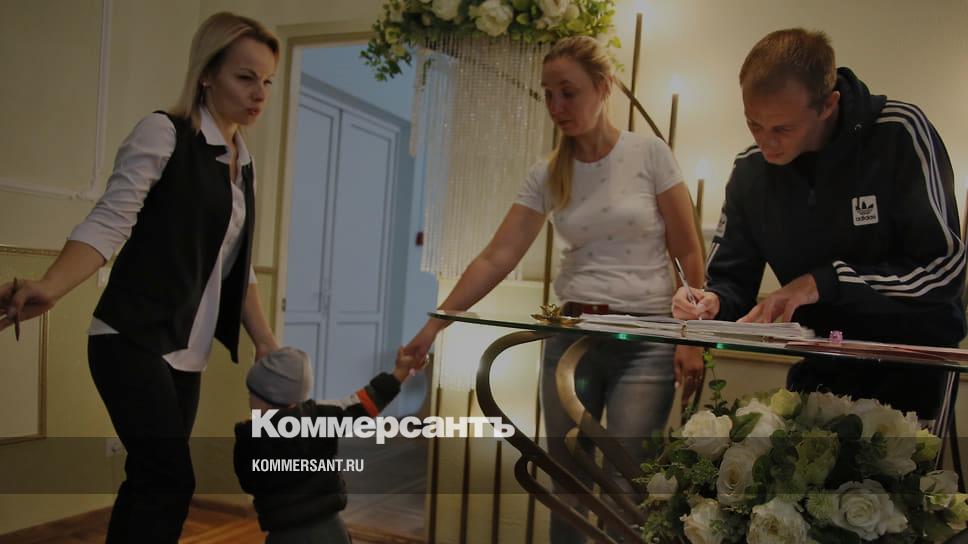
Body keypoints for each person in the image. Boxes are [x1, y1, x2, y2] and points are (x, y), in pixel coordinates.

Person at [404, 36, 705, 542]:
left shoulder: (649, 154)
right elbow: (497, 257)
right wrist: (435, 325)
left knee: (629, 480)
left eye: (568, 92)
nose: (556, 106)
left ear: (603, 87)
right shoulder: (546, 173)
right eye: (548, 94)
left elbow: (688, 251)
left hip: (647, 342)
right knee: (566, 480)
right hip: (571, 339)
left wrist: (690, 336)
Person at [0, 12, 281, 542]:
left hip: (188, 350)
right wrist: (51, 285)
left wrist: (265, 341)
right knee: (170, 480)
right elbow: (110, 221)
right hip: (130, 338)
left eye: (267, 81)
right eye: (245, 77)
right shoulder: (165, 132)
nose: (259, 93)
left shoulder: (243, 164)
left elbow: (236, 267)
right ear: (207, 74)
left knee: (149, 480)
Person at [672, 28, 966, 419]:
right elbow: (733, 282)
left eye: (783, 129)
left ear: (828, 105)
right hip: (819, 359)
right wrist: (712, 303)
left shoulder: (898, 133)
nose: (766, 143)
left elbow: (944, 272)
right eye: (754, 124)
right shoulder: (750, 171)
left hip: (912, 364)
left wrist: (824, 282)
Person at [233, 346, 423, 543]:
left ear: (266, 400)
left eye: (251, 393)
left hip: (286, 535)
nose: (249, 398)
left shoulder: (251, 437)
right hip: (331, 531)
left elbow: (248, 482)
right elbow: (364, 405)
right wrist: (401, 372)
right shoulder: (320, 417)